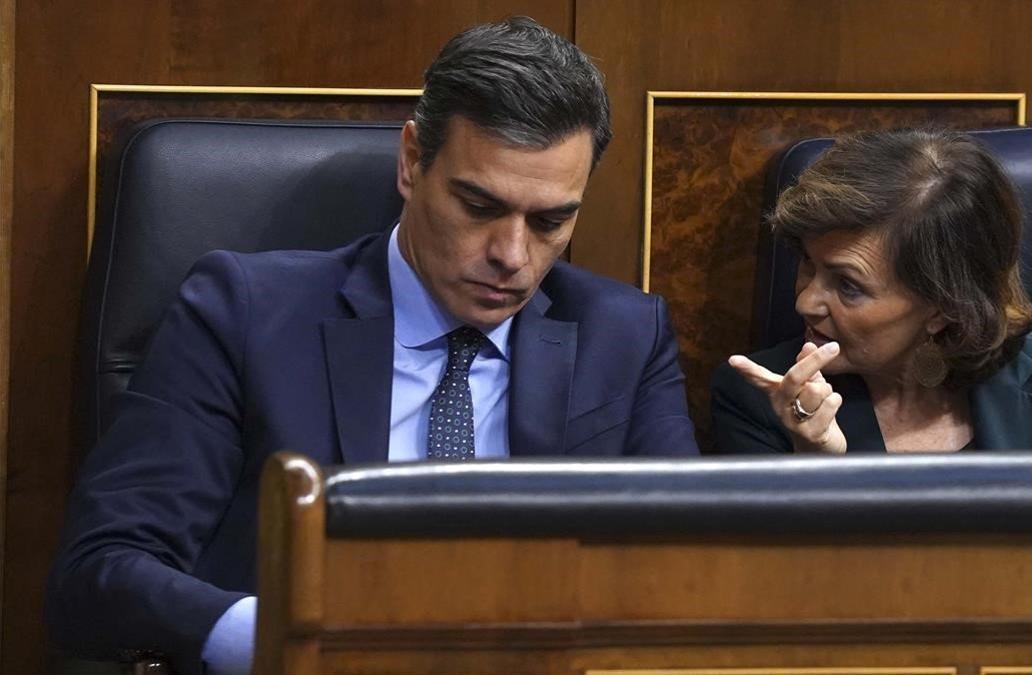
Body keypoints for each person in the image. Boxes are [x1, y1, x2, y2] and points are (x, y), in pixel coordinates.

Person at [48, 17, 698, 675]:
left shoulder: (624, 335)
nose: (512, 256)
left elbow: (684, 574)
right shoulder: (244, 313)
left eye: (550, 220)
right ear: (413, 161)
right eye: (478, 206)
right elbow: (100, 570)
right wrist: (283, 637)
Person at [711, 128, 1032, 454]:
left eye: (848, 285)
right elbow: (773, 575)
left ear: (944, 306)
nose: (805, 301)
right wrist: (816, 465)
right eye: (807, 263)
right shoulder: (759, 397)